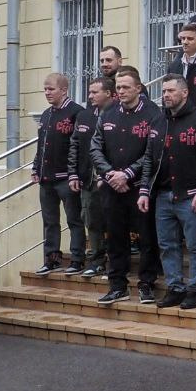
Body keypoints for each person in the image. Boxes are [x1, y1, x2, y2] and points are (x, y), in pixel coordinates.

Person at [140, 76, 196, 310]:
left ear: (184, 93)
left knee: (195, 245)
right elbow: (148, 159)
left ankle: (195, 289)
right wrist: (144, 189)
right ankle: (175, 287)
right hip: (163, 194)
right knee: (167, 244)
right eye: (163, 91)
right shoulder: (158, 121)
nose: (166, 95)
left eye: (171, 91)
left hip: (191, 194)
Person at [90, 70, 164, 305]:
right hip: (112, 186)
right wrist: (111, 174)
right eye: (118, 87)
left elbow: (153, 151)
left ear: (139, 88)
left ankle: (146, 283)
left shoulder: (154, 113)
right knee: (115, 237)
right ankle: (117, 285)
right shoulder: (108, 113)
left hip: (140, 186)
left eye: (126, 87)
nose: (121, 92)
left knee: (146, 237)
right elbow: (95, 147)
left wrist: (128, 174)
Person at [32, 73, 86, 274]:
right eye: (45, 89)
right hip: (46, 178)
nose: (47, 93)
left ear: (64, 90)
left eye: (51, 89)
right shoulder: (46, 114)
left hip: (67, 178)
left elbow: (79, 146)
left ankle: (77, 260)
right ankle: (52, 258)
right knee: (50, 221)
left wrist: (76, 174)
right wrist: (36, 168)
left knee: (74, 220)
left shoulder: (76, 112)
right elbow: (41, 145)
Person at [68, 77, 115, 278]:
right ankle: (96, 260)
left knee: (114, 222)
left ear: (108, 93)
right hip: (88, 178)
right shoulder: (84, 116)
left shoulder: (119, 114)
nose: (90, 96)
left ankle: (115, 261)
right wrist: (73, 173)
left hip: (112, 179)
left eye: (95, 92)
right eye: (90, 92)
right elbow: (75, 145)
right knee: (91, 220)